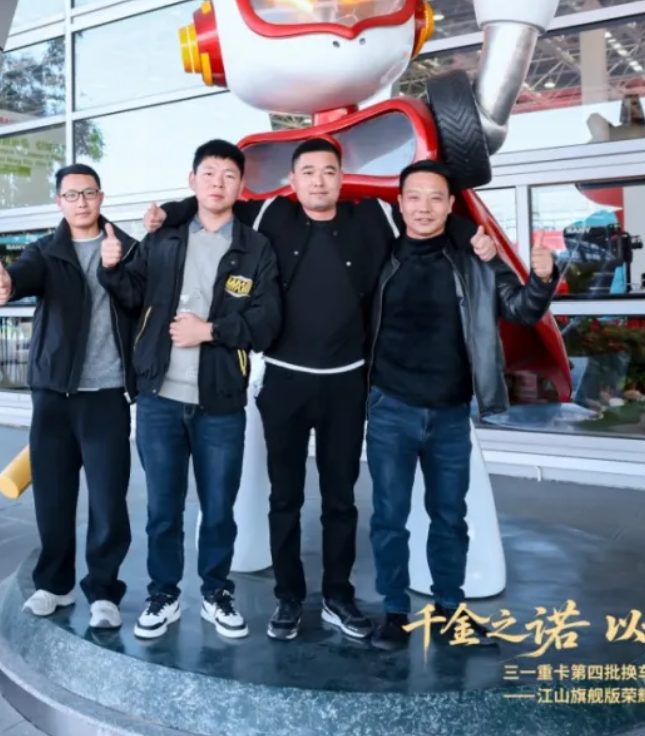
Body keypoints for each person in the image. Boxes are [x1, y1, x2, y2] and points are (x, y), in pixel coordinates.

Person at [144, 138, 496, 642]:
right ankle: (288, 598)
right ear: (293, 180)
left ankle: (337, 596)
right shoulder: (271, 214)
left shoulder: (373, 215)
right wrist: (168, 213)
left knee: (341, 500)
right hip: (283, 382)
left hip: (347, 385)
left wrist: (472, 235)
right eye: (307, 172)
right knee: (284, 498)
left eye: (328, 171)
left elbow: (429, 222)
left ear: (341, 178)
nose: (318, 181)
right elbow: (214, 201)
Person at [366, 160, 558, 652]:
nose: (424, 207)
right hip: (390, 408)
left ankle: (450, 610)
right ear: (400, 203)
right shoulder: (378, 255)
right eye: (414, 197)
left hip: (451, 413)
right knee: (389, 517)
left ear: (451, 205)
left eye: (436, 198)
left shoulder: (474, 258)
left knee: (450, 517)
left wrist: (542, 278)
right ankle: (394, 612)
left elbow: (520, 309)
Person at [99, 139, 281, 640]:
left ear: (241, 186)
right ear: (192, 181)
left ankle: (216, 592)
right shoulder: (164, 237)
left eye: (229, 175)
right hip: (159, 398)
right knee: (163, 509)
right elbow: (132, 295)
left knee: (219, 509)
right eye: (209, 173)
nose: (218, 183)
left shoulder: (255, 248)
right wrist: (111, 267)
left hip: (220, 402)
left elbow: (267, 322)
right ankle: (164, 594)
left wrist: (211, 331)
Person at [0, 164, 139, 630]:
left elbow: (139, 301)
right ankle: (54, 584)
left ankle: (104, 591)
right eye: (71, 195)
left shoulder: (127, 247)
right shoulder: (46, 250)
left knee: (108, 502)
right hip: (54, 394)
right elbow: (23, 275)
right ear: (59, 202)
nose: (81, 202)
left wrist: (115, 268)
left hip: (107, 395)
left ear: (101, 196)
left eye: (88, 193)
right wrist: (7, 285)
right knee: (53, 497)